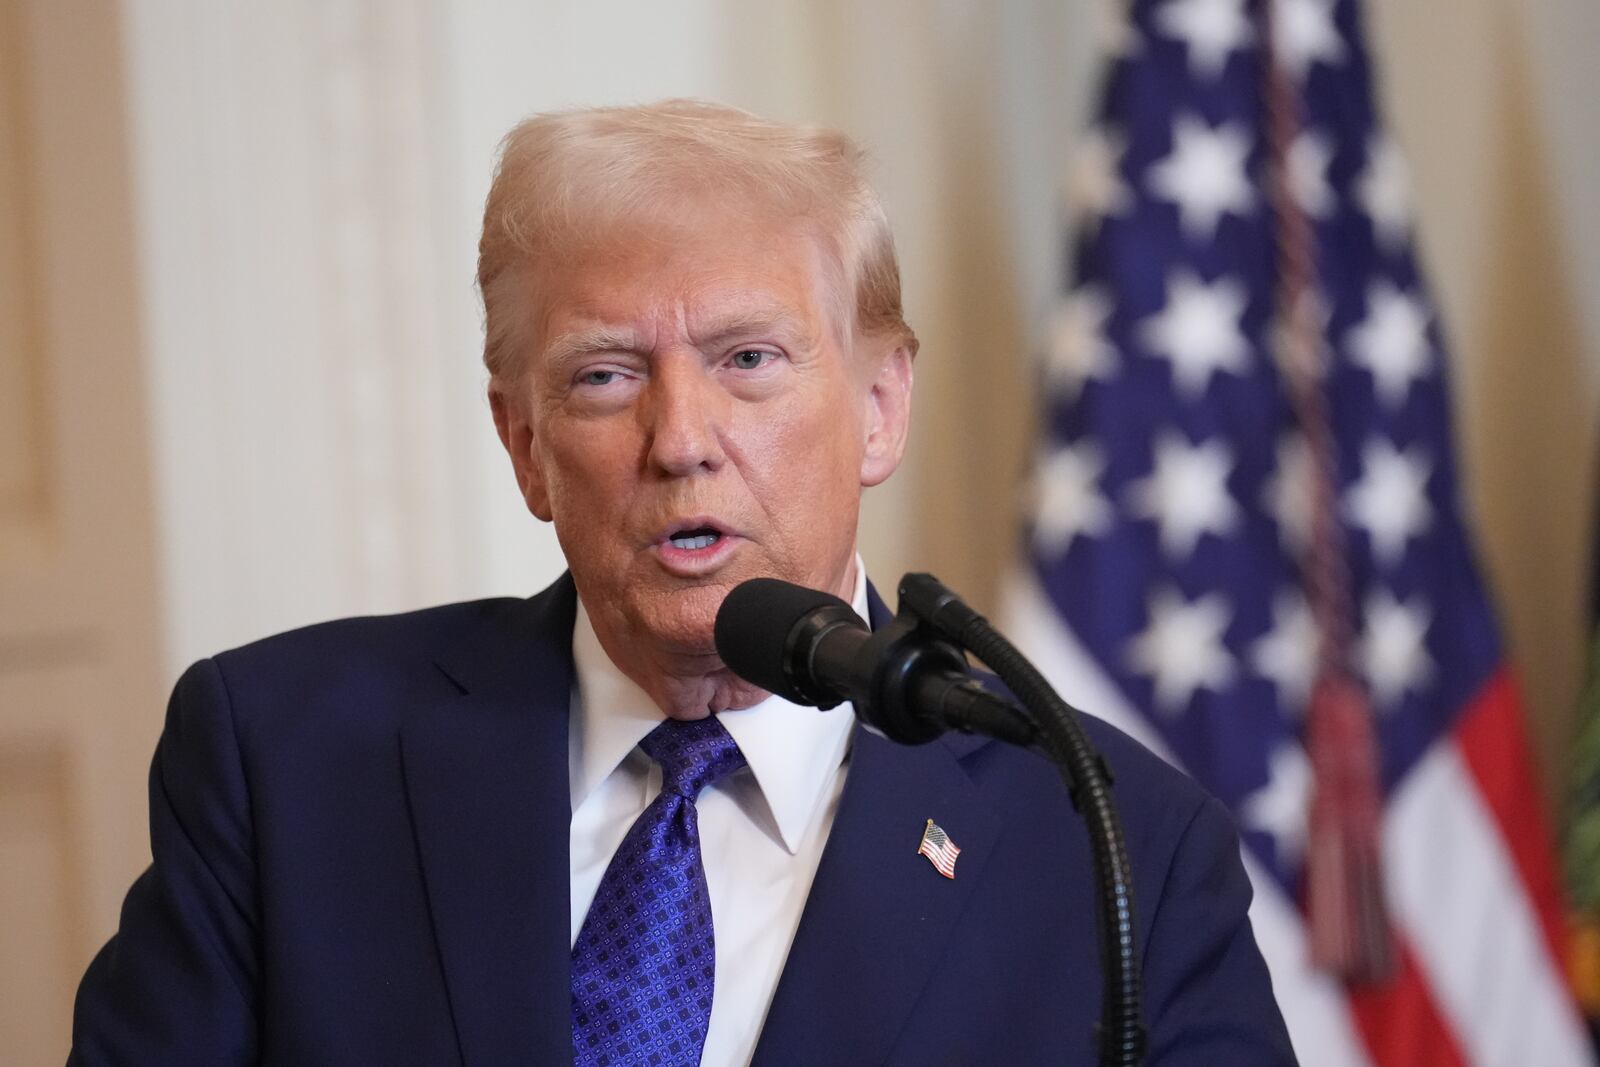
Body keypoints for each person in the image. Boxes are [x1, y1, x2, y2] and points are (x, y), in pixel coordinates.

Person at [70, 100, 1294, 1065]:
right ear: (523, 444)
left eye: (748, 358)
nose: (680, 437)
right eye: (604, 375)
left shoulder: (1112, 842)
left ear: (878, 408)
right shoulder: (283, 756)